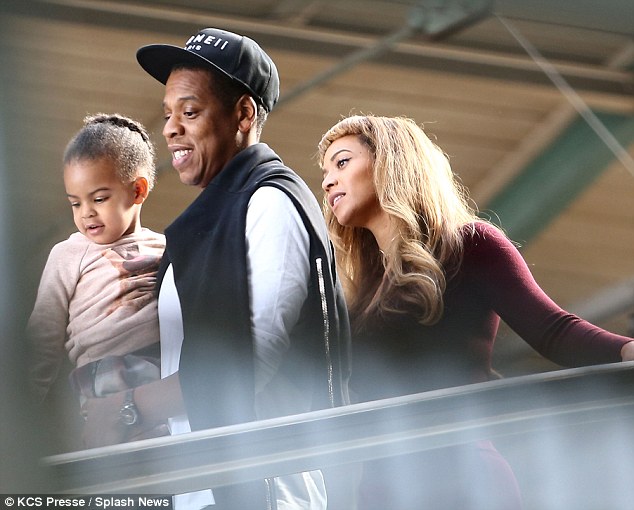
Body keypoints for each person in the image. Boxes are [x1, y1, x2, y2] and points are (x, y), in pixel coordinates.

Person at [80, 28, 351, 510]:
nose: (169, 129)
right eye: (167, 115)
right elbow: (189, 358)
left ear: (243, 114)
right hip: (201, 487)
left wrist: (128, 410)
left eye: (189, 112)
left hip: (262, 489)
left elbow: (250, 357)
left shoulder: (268, 201)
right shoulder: (208, 222)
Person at [318, 114, 634, 510]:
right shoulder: (356, 291)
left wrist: (626, 351)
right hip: (381, 494)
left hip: (465, 485)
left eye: (342, 162)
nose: (328, 180)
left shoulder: (469, 245)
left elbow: (553, 329)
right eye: (325, 171)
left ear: (388, 161)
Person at [27, 114, 166, 438]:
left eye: (99, 198)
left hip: (165, 379)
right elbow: (41, 343)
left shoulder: (168, 248)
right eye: (75, 203)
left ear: (137, 191)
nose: (86, 212)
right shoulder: (68, 254)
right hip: (102, 381)